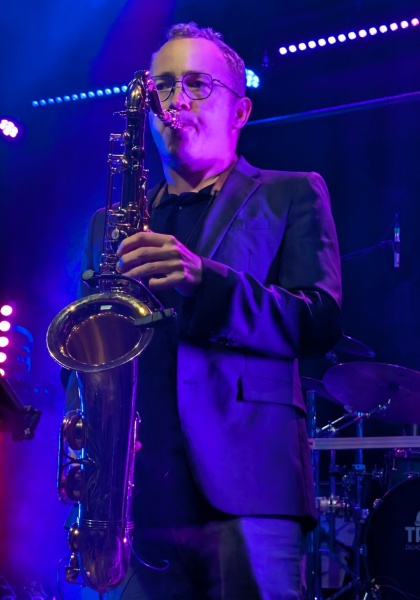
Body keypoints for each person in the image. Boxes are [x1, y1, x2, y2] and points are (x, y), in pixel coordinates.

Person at [73, 21, 342, 600]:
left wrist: (207, 282)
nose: (176, 101)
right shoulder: (106, 225)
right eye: (164, 87)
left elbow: (318, 320)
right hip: (134, 496)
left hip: (250, 491)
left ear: (240, 110)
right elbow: (87, 349)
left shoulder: (291, 192)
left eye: (197, 84)